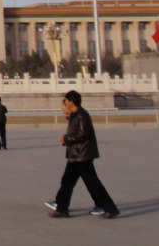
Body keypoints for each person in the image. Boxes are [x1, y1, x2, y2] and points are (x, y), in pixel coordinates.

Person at [46, 90, 119, 219]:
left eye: (66, 101)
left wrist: (66, 139)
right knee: (67, 181)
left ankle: (109, 208)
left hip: (82, 155)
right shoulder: (75, 115)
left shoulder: (82, 115)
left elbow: (83, 134)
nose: (65, 103)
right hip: (76, 155)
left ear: (71, 102)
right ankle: (62, 208)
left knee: (91, 183)